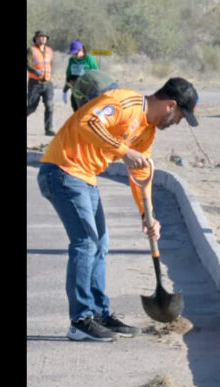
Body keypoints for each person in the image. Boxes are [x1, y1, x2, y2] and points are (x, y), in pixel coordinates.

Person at [37, 77, 200, 341]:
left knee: (100, 243)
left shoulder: (147, 131)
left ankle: (99, 314)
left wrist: (147, 214)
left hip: (85, 177)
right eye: (181, 116)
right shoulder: (124, 102)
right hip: (62, 170)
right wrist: (124, 150)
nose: (178, 122)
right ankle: (80, 320)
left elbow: (140, 173)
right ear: (171, 105)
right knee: (85, 243)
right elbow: (88, 122)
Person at [27, 30, 57, 136]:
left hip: (47, 83)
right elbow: (27, 64)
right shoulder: (31, 50)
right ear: (36, 39)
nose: (43, 38)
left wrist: (50, 77)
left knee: (50, 106)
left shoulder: (50, 50)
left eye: (45, 37)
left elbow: (50, 65)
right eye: (41, 36)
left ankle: (49, 129)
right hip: (34, 83)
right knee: (31, 107)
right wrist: (34, 71)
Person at [63, 40, 100, 111]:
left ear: (81, 50)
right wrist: (65, 90)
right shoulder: (71, 60)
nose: (74, 55)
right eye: (73, 54)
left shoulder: (89, 59)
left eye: (75, 53)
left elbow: (96, 74)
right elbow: (68, 76)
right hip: (75, 91)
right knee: (77, 112)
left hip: (87, 92)